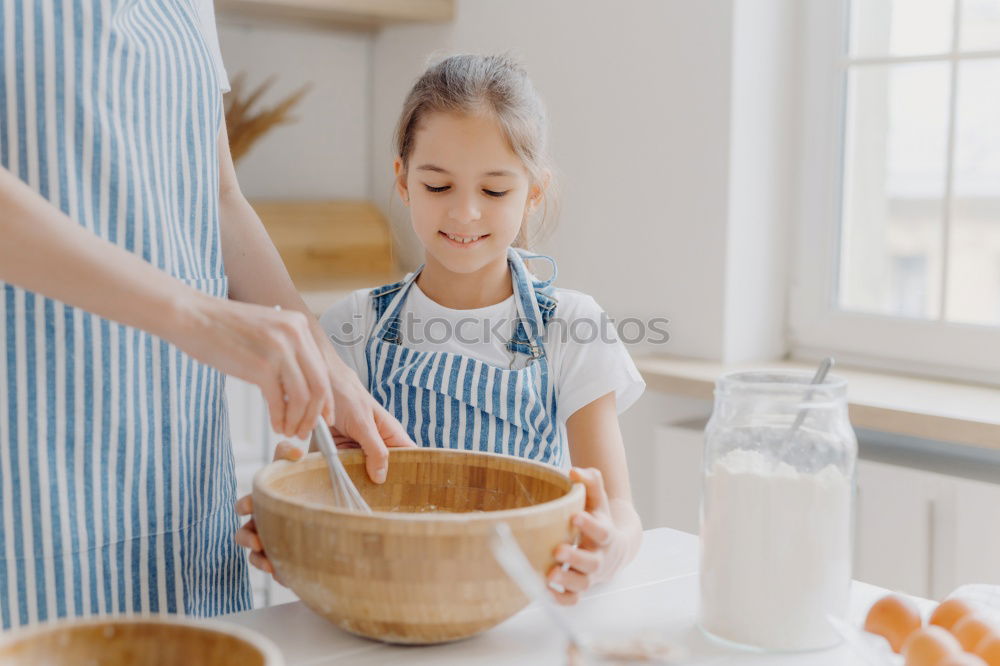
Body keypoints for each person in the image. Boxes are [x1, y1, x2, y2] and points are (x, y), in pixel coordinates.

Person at [0, 1, 410, 628]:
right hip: (28, 439)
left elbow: (219, 196)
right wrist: (194, 314)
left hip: (175, 457)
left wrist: (328, 369)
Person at [238, 54, 645, 605]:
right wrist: (292, 535)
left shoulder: (570, 325)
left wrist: (607, 551)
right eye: (438, 187)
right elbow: (321, 491)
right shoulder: (352, 327)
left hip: (514, 613)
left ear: (534, 192)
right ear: (403, 181)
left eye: (495, 192)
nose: (465, 214)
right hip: (380, 604)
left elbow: (618, 511)